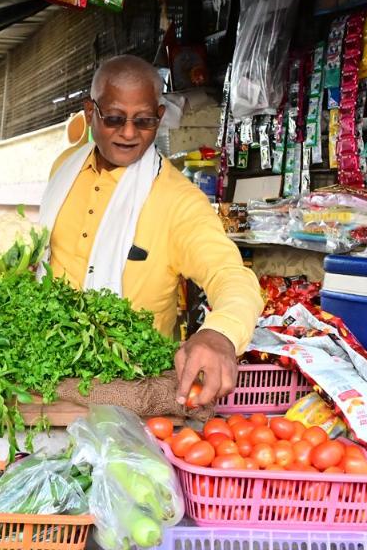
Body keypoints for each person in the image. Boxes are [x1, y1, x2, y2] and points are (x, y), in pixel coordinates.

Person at [40, 55, 264, 408]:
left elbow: (230, 275)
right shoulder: (64, 168)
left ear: (160, 117)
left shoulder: (180, 202)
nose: (128, 133)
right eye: (114, 118)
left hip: (128, 393)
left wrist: (220, 333)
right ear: (90, 112)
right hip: (42, 381)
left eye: (143, 121)